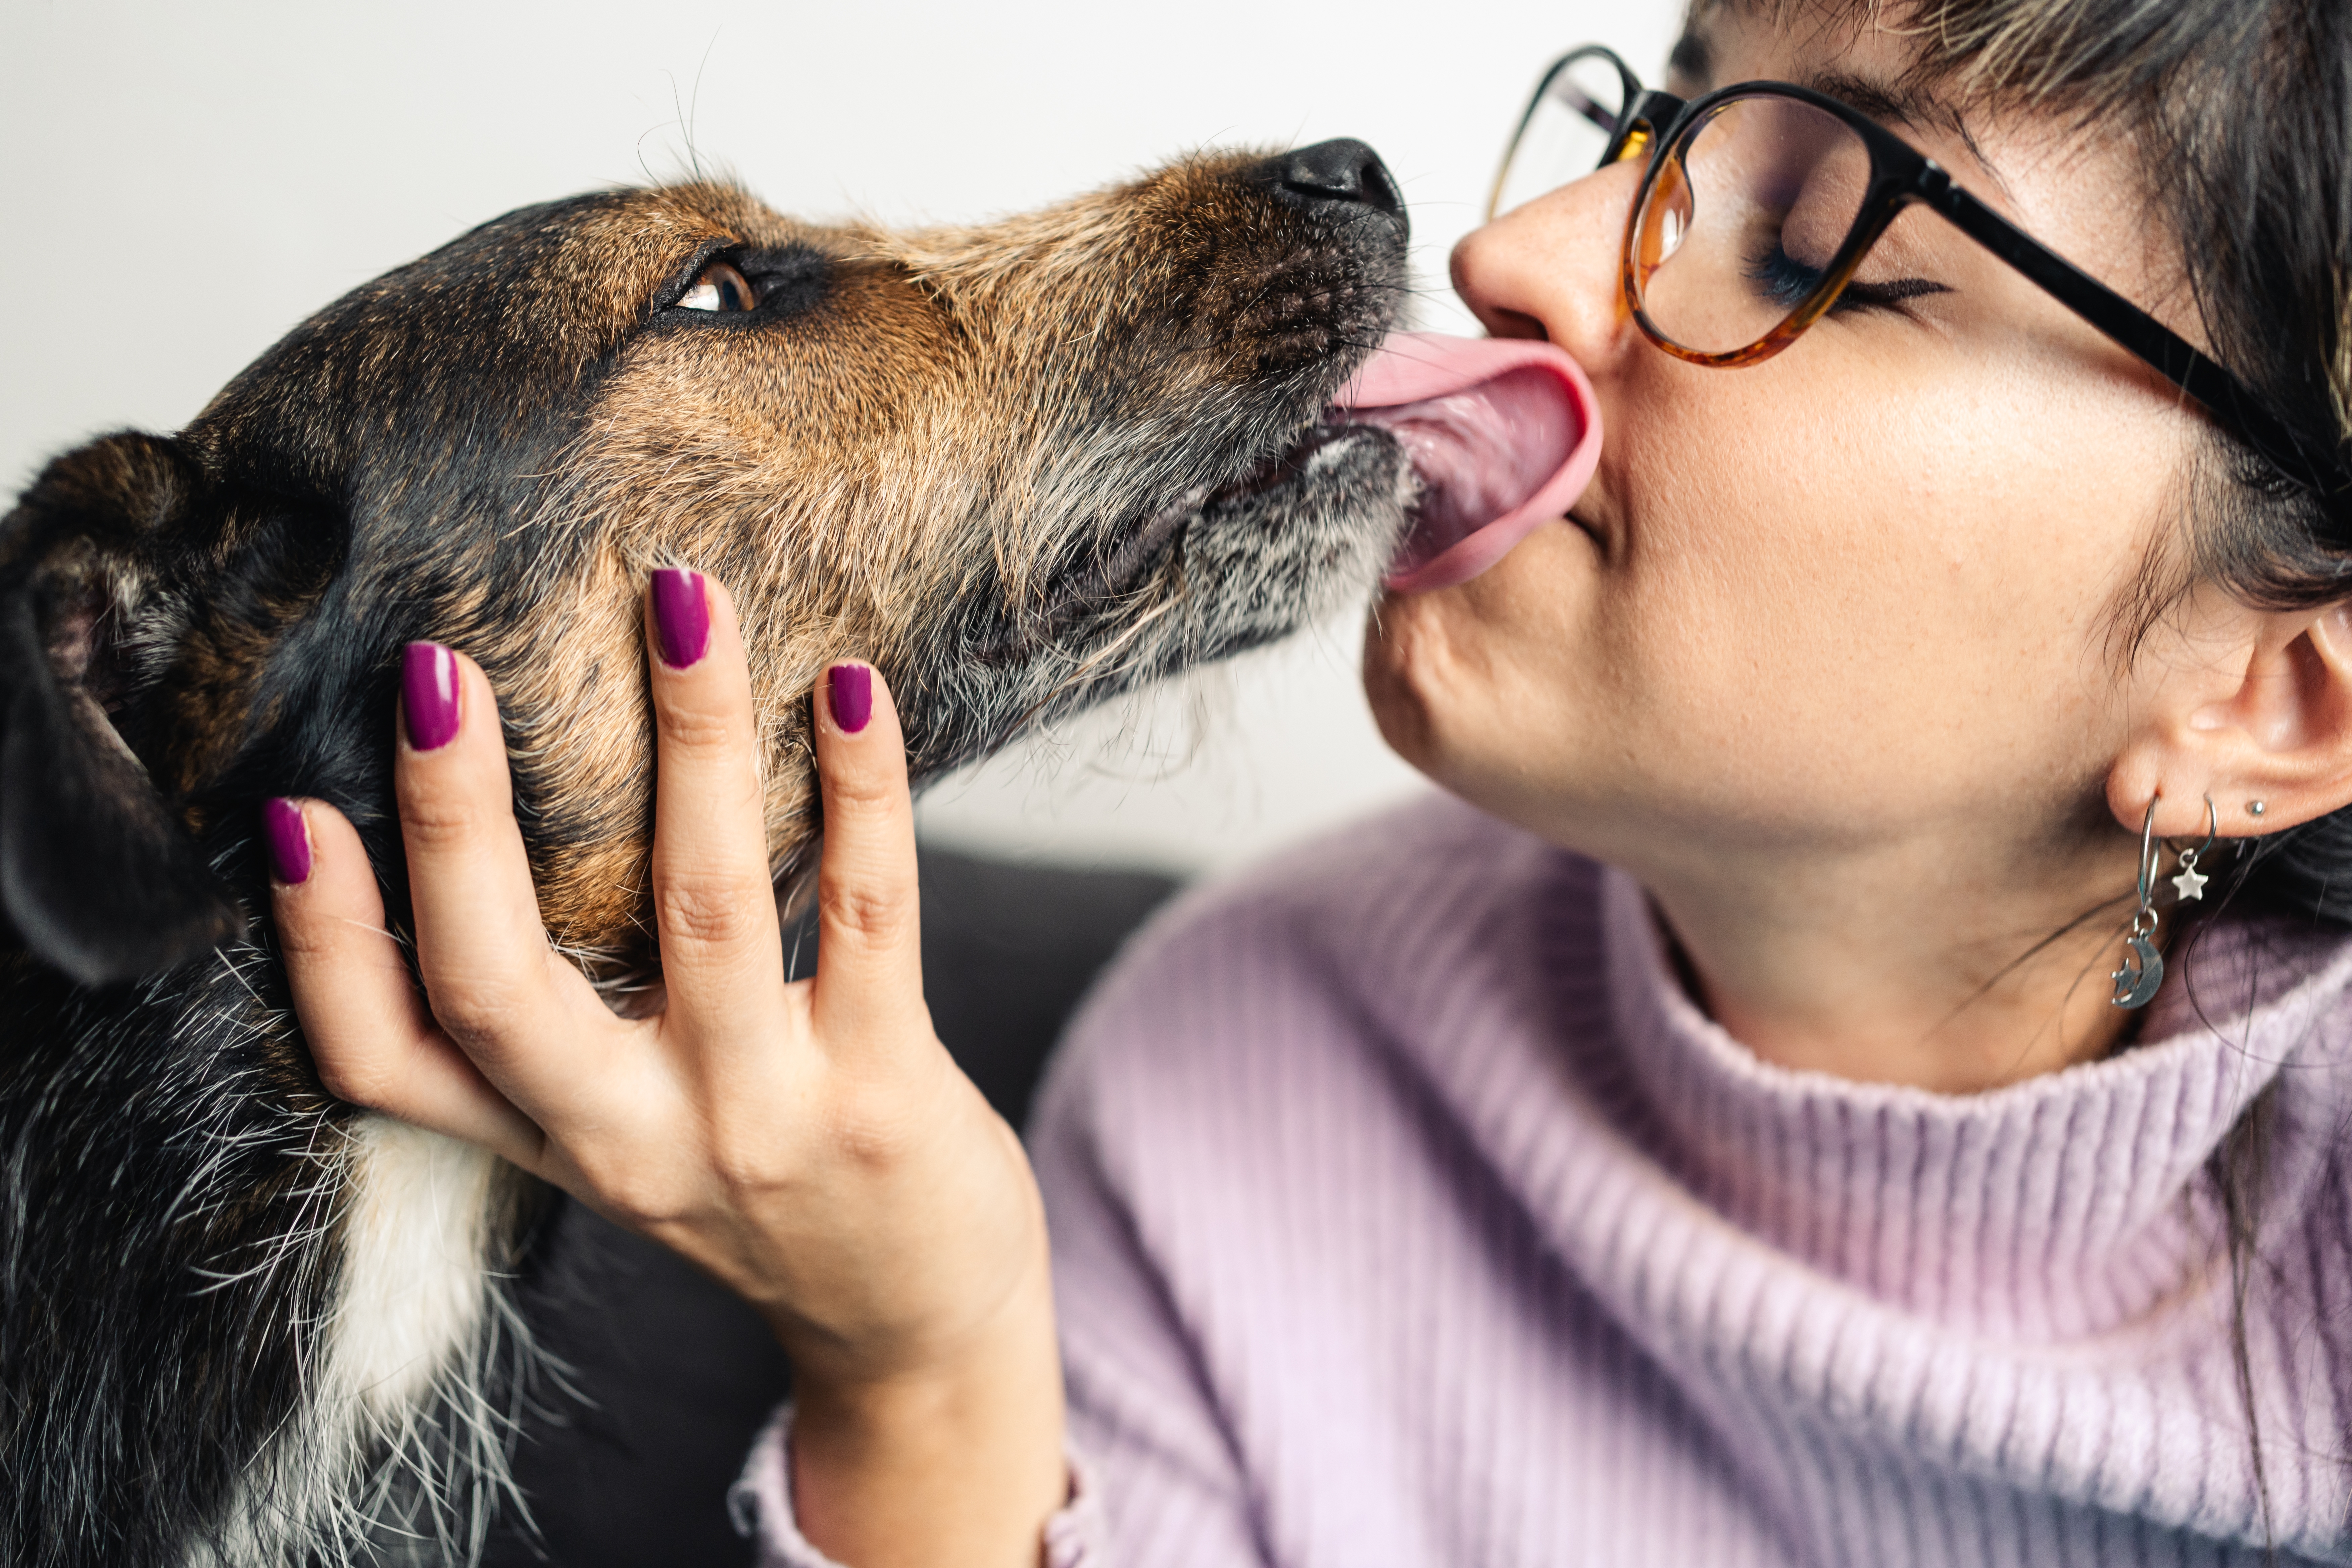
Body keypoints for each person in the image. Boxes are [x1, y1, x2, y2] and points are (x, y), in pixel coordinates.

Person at [267, 0, 2352, 1561]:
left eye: (1811, 244)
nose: (1518, 248)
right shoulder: (1239, 1077)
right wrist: (927, 1358)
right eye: (1650, 123)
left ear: (2280, 697)